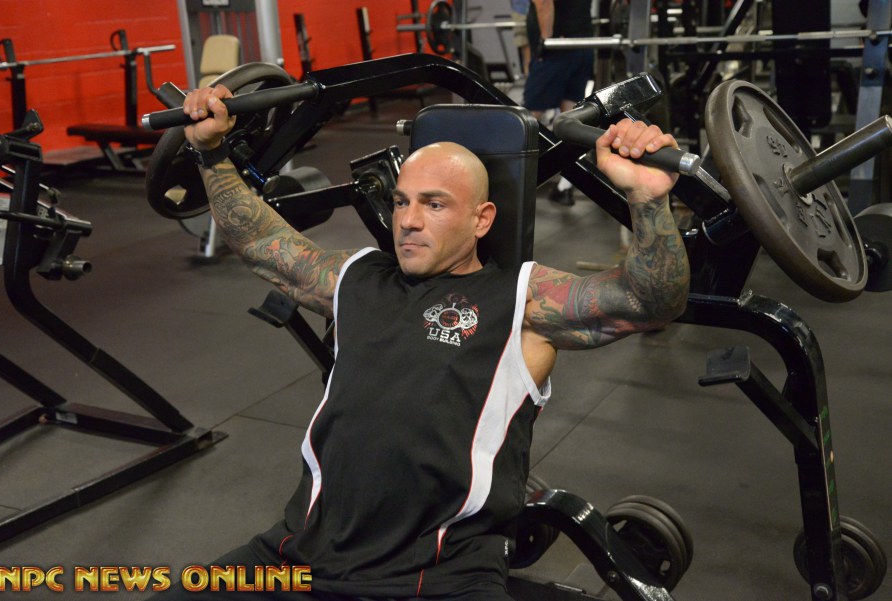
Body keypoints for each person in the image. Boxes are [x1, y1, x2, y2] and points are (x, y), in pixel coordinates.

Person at [155, 83, 689, 600]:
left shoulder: (524, 300)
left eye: (434, 205)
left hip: (439, 579)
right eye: (401, 201)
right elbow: (259, 241)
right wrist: (211, 153)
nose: (408, 221)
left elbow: (649, 301)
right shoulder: (356, 277)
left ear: (482, 219)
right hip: (299, 557)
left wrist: (646, 200)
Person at [523, 0, 596, 206]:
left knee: (528, 116)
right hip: (582, 44)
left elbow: (544, 2)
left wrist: (545, 41)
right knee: (571, 119)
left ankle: (505, 183)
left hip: (556, 48)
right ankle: (565, 186)